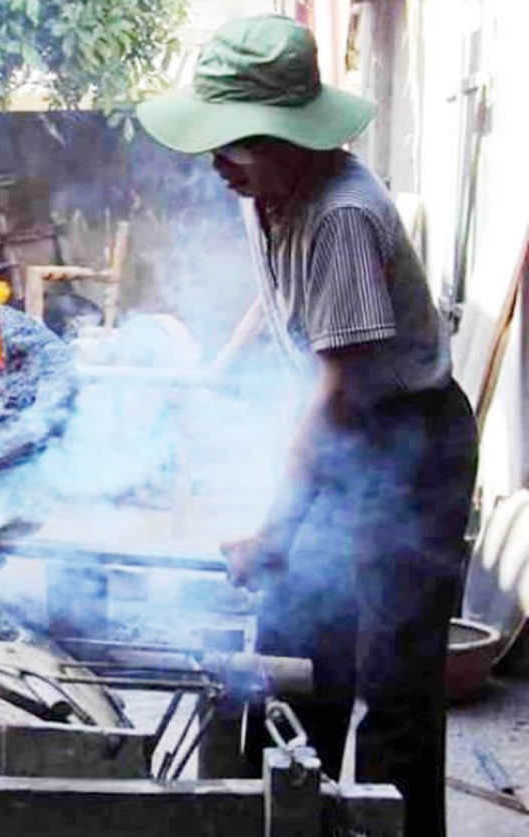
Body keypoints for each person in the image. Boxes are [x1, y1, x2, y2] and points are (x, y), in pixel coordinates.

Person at [137, 16, 477, 837]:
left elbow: (336, 400)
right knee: (294, 659)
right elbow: (280, 298)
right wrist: (216, 376)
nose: (218, 162)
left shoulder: (343, 216)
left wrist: (273, 528)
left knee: (394, 692)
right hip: (348, 433)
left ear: (287, 137)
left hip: (409, 447)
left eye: (235, 143)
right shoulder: (272, 195)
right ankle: (293, 820)